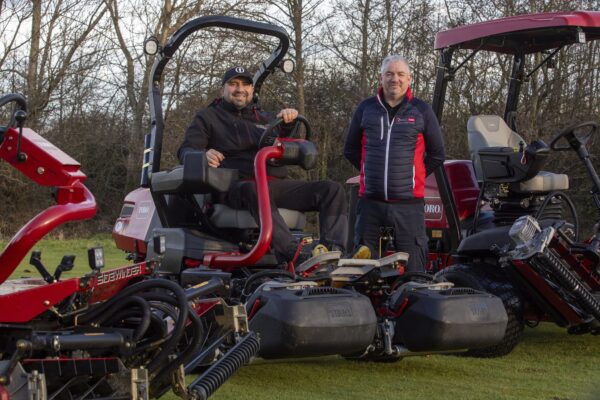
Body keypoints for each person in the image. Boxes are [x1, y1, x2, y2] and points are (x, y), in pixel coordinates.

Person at [178, 66, 348, 265]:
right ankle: (293, 255)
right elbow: (185, 151)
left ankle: (334, 253)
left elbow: (283, 149)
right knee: (255, 189)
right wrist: (203, 155)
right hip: (236, 185)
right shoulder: (208, 117)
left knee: (331, 189)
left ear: (252, 90)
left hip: (274, 183)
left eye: (245, 84)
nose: (239, 89)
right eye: (233, 84)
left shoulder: (266, 119)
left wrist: (286, 124)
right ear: (222, 90)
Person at [344, 55, 445, 272]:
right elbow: (350, 149)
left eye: (400, 74)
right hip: (370, 203)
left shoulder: (422, 110)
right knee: (363, 270)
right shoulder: (366, 109)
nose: (394, 79)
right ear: (381, 78)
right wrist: (370, 172)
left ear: (409, 79)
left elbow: (437, 154)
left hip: (409, 206)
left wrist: (413, 176)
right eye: (389, 74)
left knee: (413, 271)